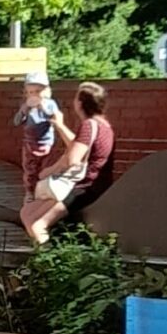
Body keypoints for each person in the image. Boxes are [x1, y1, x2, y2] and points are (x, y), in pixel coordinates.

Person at [15, 70, 71, 243]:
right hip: (29, 143)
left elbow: (51, 115)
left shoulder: (49, 104)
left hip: (45, 143)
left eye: (37, 92)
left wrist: (40, 105)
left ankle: (43, 192)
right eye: (30, 92)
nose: (33, 95)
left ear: (46, 91)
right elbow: (17, 121)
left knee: (45, 169)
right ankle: (30, 191)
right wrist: (23, 111)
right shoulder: (26, 105)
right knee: (30, 169)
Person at [54, 81, 117, 227]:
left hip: (84, 187)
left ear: (81, 103)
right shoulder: (105, 126)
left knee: (38, 223)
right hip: (101, 187)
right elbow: (80, 146)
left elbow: (73, 159)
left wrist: (53, 170)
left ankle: (44, 249)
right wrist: (60, 126)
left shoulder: (88, 125)